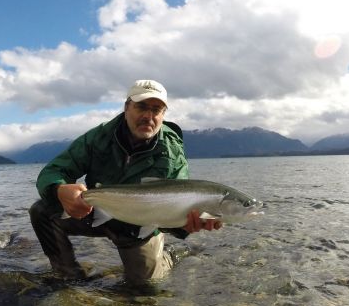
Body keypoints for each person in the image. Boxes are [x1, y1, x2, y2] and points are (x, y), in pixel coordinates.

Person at [29, 79, 222, 284]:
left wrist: (186, 225)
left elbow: (174, 209)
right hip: (97, 210)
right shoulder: (99, 137)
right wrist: (59, 189)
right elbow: (53, 171)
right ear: (126, 107)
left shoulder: (172, 153)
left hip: (137, 227)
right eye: (141, 107)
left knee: (145, 289)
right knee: (42, 211)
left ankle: (169, 257)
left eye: (156, 110)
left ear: (163, 115)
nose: (148, 116)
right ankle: (68, 276)